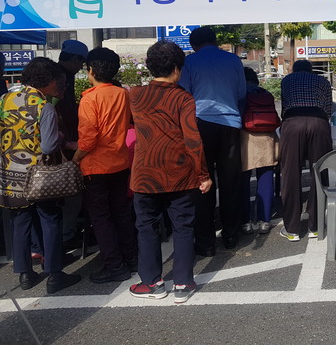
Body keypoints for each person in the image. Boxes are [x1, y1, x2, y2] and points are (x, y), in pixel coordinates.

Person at [128, 40, 212, 304]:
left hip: (145, 173)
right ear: (177, 68)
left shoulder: (135, 95)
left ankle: (151, 283)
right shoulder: (183, 98)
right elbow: (192, 139)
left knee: (147, 227)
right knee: (183, 226)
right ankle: (183, 283)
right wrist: (203, 175)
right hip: (179, 173)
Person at [0, 57, 81, 294]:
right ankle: (54, 274)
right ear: (47, 81)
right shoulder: (43, 106)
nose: (61, 87)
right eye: (59, 82)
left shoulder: (4, 100)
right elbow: (48, 146)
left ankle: (25, 273)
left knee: (20, 222)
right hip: (40, 176)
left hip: (9, 174)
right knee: (50, 219)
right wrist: (62, 138)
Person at [179, 26, 247, 255]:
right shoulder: (233, 60)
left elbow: (184, 94)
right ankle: (231, 236)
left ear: (193, 45)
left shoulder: (190, 62)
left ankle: (205, 242)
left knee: (202, 182)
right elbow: (241, 93)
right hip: (230, 125)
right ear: (216, 41)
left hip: (200, 124)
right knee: (231, 182)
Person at [73, 47, 137, 283]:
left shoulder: (89, 98)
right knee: (121, 213)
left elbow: (88, 139)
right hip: (120, 162)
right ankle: (131, 258)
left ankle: (114, 265)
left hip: (96, 167)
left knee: (101, 218)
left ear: (90, 70)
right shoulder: (122, 94)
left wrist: (75, 159)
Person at [279, 60, 332, 241]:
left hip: (293, 123)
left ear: (294, 70)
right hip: (318, 122)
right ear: (311, 70)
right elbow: (327, 110)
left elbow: (284, 108)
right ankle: (315, 226)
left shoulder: (286, 81)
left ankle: (292, 229)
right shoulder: (323, 81)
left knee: (290, 174)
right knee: (319, 171)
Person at [54, 39, 88, 245]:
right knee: (71, 189)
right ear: (75, 58)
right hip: (63, 143)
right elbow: (62, 111)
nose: (82, 67)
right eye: (81, 62)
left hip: (61, 141)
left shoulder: (61, 73)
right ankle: (67, 234)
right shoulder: (61, 77)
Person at [239, 67, 279, 235]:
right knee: (266, 178)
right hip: (267, 138)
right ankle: (265, 221)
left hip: (245, 138)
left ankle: (246, 222)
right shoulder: (265, 93)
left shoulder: (240, 94)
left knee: (243, 181)